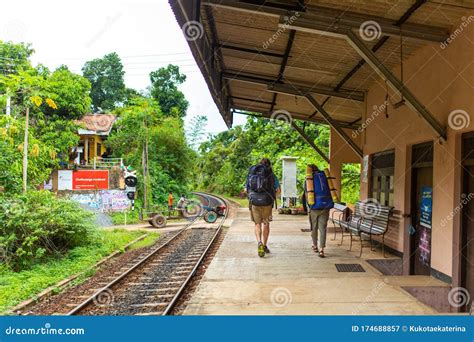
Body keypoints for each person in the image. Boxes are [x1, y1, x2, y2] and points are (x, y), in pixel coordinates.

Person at [246, 158, 280, 257]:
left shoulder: (252, 174)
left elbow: (246, 189)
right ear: (269, 165)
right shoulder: (271, 175)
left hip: (255, 203)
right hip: (267, 202)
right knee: (266, 224)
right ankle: (264, 245)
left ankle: (259, 242)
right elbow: (278, 190)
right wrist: (272, 197)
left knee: (257, 224)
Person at [304, 164, 334, 258]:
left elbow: (306, 194)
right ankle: (322, 249)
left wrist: (308, 207)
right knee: (323, 229)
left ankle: (315, 246)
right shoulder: (325, 177)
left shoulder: (309, 180)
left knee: (314, 227)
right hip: (325, 206)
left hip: (314, 207)